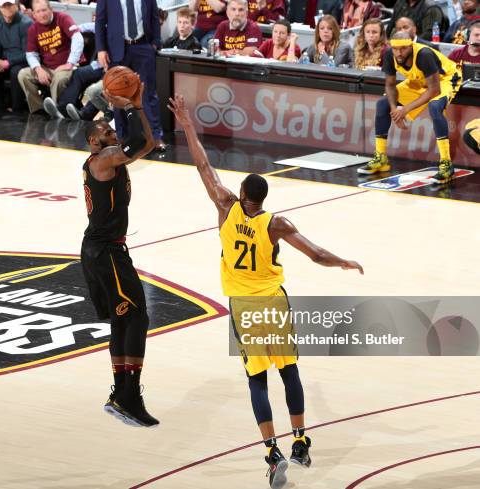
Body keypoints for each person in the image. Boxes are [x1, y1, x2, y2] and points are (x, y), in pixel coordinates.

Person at [168, 93, 363, 489]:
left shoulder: (225, 206)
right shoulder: (276, 223)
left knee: (256, 380)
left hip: (243, 307)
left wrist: (187, 122)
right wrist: (343, 261)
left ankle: (271, 453)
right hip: (274, 302)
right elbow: (316, 254)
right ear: (264, 199)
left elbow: (202, 163)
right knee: (289, 370)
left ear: (241, 194)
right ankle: (301, 442)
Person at [81, 77, 158, 427]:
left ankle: (121, 393)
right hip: (105, 252)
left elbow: (147, 143)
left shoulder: (109, 159)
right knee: (137, 316)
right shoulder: (103, 159)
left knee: (124, 317)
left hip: (103, 250)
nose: (115, 137)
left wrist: (126, 107)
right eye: (109, 134)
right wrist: (132, 106)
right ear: (94, 142)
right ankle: (129, 393)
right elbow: (140, 142)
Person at [357, 31, 462, 184]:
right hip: (418, 80)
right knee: (382, 104)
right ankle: (381, 158)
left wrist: (404, 110)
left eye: (403, 49)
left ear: (411, 46)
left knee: (434, 106)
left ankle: (446, 164)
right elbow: (390, 84)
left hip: (445, 79)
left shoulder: (423, 54)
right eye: (396, 49)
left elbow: (434, 90)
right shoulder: (389, 55)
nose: (399, 53)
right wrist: (395, 111)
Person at [95, 0, 167, 151]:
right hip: (117, 49)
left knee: (148, 93)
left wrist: (154, 43)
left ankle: (155, 137)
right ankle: (123, 138)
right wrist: (101, 49)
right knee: (117, 94)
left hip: (143, 46)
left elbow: (154, 17)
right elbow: (100, 21)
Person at [18, 0, 84, 113]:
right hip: (47, 67)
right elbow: (30, 54)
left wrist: (70, 63)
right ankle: (39, 110)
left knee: (59, 79)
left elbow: (78, 38)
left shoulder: (63, 18)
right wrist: (38, 69)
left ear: (51, 9)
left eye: (44, 10)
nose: (42, 14)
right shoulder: (33, 29)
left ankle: (57, 111)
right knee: (23, 75)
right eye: (38, 11)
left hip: (66, 66)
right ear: (34, 15)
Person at [43, 22, 106, 119]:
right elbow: (88, 26)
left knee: (103, 85)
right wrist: (73, 31)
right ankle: (63, 110)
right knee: (78, 73)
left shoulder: (122, 30)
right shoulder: (105, 26)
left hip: (115, 68)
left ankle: (84, 115)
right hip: (99, 65)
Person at [0, 0, 32, 112]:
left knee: (15, 71)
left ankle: (17, 108)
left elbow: (28, 53)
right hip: (5, 60)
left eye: (10, 4)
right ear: (0, 8)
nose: (7, 8)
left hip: (22, 61)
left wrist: (6, 63)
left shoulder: (26, 23)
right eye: (4, 5)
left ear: (16, 6)